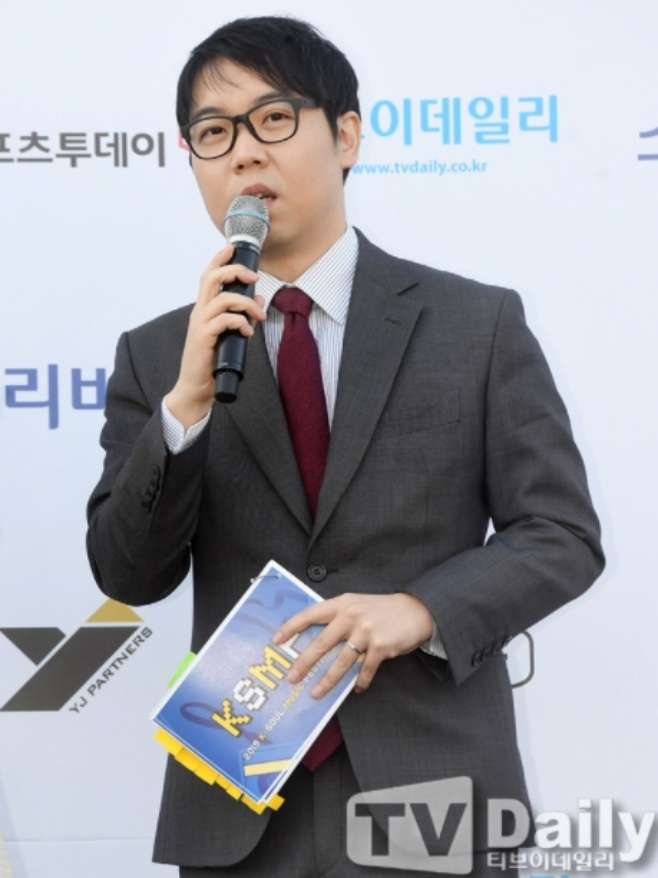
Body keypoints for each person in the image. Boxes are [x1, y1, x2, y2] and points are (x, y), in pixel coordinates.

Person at [86, 15, 604, 878]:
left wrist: (421, 609)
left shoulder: (474, 324)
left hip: (433, 791)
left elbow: (561, 535)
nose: (244, 153)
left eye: (273, 118)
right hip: (239, 805)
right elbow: (127, 573)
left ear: (347, 135)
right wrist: (185, 409)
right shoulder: (160, 355)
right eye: (214, 134)